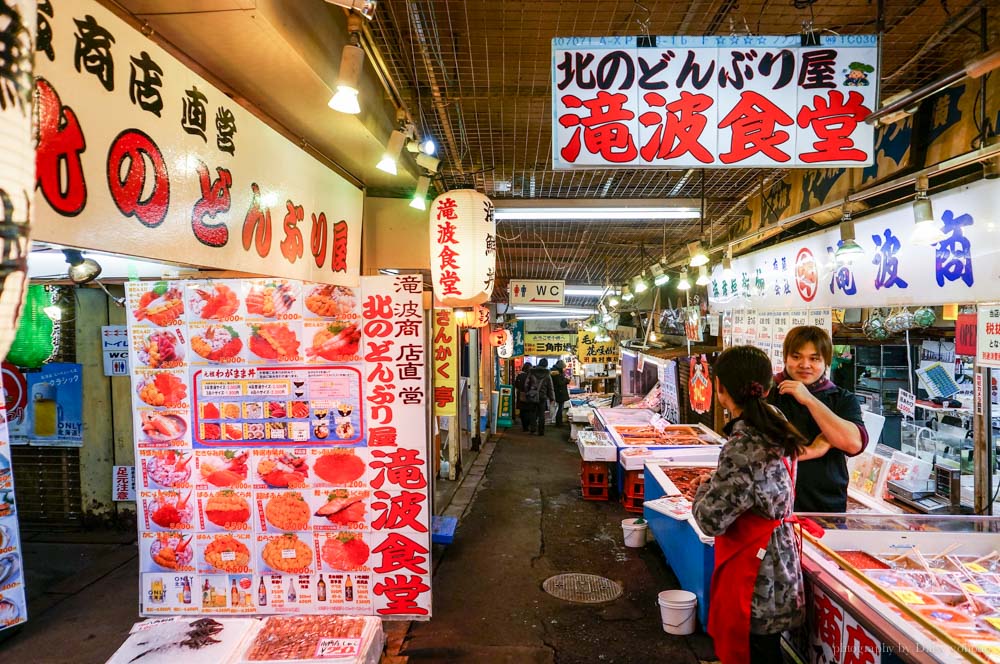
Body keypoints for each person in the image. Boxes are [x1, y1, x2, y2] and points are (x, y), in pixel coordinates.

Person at [691, 346, 806, 664]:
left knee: (757, 655)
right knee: (767, 652)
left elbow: (710, 520)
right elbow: (755, 485)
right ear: (767, 388)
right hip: (780, 562)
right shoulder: (774, 423)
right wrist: (717, 480)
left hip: (757, 577)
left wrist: (701, 490)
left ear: (720, 390)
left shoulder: (744, 445)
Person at [767, 326, 868, 513]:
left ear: (826, 361)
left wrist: (809, 399)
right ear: (785, 357)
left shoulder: (841, 398)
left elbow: (853, 444)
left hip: (825, 507)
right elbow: (759, 453)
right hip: (770, 505)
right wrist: (814, 449)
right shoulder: (768, 393)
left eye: (814, 359)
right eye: (796, 357)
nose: (805, 365)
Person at [526, 359, 555, 436]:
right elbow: (550, 387)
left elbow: (526, 384)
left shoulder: (532, 372)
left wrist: (528, 392)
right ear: (546, 365)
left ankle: (532, 429)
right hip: (542, 396)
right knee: (541, 414)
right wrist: (552, 398)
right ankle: (541, 431)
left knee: (532, 413)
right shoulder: (547, 374)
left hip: (532, 395)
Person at [513, 363, 534, 433]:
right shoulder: (530, 376)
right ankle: (527, 426)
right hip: (529, 395)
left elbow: (516, 385)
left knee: (522, 411)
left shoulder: (520, 375)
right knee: (528, 411)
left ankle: (524, 427)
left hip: (521, 395)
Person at [550, 360, 570, 427]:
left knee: (559, 408)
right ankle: (558, 423)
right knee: (560, 408)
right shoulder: (556, 373)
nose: (565, 369)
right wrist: (567, 380)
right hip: (559, 392)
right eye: (564, 367)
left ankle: (559, 422)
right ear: (561, 367)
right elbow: (559, 383)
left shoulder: (556, 372)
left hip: (559, 392)